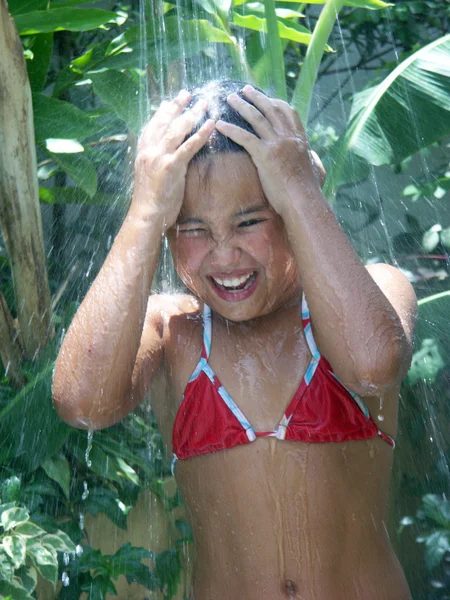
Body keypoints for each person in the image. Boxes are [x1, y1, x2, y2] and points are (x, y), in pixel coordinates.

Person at [53, 80, 417, 600]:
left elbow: (372, 366)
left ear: (293, 209)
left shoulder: (372, 292)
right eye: (193, 229)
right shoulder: (174, 331)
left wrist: (298, 189)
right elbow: (82, 402)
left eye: (249, 221)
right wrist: (145, 210)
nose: (224, 255)